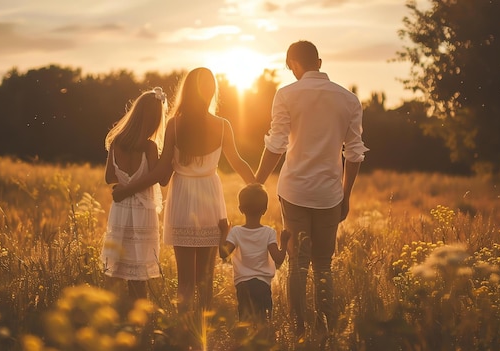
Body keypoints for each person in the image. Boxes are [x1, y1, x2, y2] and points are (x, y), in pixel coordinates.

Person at [113, 68, 256, 317]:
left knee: (186, 281)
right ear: (212, 91)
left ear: (187, 90)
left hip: (182, 200)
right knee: (206, 280)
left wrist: (127, 190)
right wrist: (257, 188)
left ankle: (183, 332)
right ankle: (203, 332)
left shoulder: (174, 125)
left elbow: (161, 175)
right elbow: (239, 163)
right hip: (210, 198)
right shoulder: (222, 126)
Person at [254, 40, 369, 340]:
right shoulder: (349, 99)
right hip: (330, 194)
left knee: (297, 266)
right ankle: (325, 330)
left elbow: (277, 145)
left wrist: (256, 181)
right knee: (323, 266)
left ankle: (298, 331)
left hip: (294, 192)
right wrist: (346, 195)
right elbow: (354, 153)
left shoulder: (286, 95)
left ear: (293, 63)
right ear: (319, 61)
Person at [101, 87, 168, 302]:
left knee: (117, 266)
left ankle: (115, 312)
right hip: (142, 213)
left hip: (120, 211)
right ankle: (140, 317)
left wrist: (125, 183)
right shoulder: (149, 148)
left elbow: (109, 177)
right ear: (155, 120)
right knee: (139, 272)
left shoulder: (116, 143)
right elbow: (160, 178)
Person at [219, 183, 290, 326]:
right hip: (263, 285)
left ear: (240, 209)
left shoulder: (236, 232)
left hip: (242, 285)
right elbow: (278, 259)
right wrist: (284, 242)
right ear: (264, 209)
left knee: (245, 323)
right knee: (264, 323)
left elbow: (223, 254)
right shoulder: (269, 232)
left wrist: (223, 232)